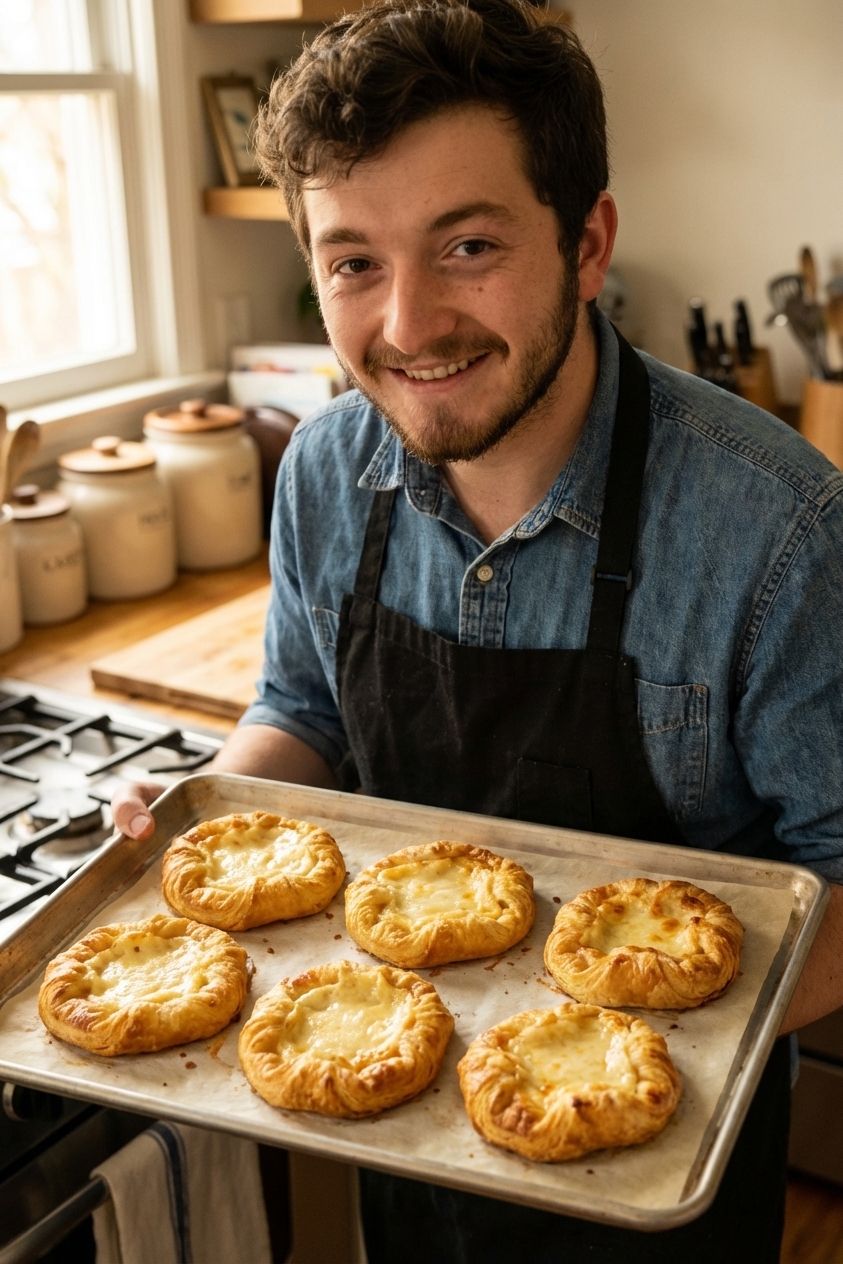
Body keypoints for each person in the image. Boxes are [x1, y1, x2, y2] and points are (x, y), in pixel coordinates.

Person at [114, 0, 843, 1258]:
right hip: (400, 1114)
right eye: (352, 262)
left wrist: (619, 1039)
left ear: (589, 241)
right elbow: (305, 714)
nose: (407, 327)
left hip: (665, 1170)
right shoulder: (322, 473)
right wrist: (208, 824)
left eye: (466, 247)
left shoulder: (777, 529)